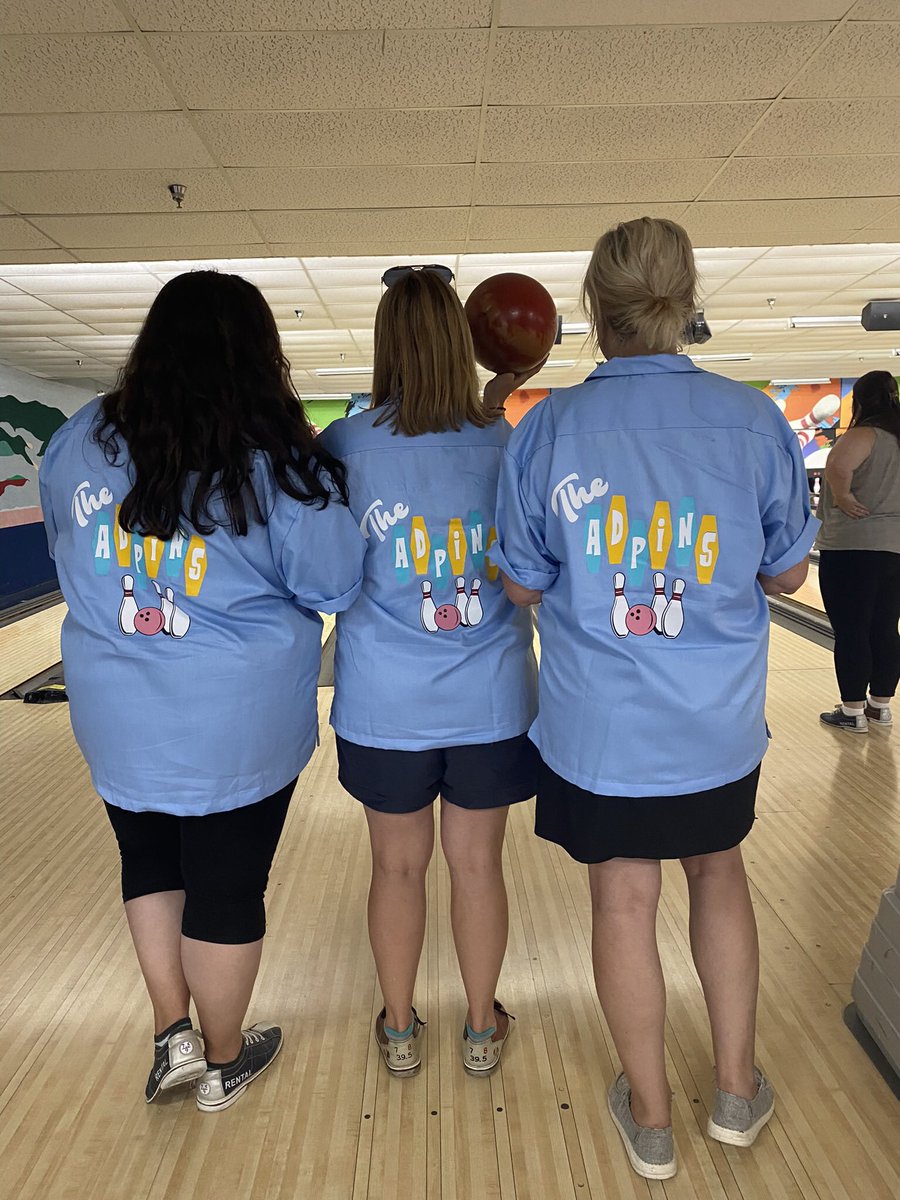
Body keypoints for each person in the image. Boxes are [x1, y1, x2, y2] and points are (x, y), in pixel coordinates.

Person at [491, 218, 817, 1179]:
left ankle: (652, 1119)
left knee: (622, 898)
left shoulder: (545, 429)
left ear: (593, 310)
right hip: (713, 723)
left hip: (600, 730)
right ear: (688, 301)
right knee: (719, 873)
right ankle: (735, 1092)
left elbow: (519, 583)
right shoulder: (753, 418)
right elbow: (791, 576)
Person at [38, 271, 366, 1112]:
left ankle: (171, 1034)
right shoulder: (281, 458)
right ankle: (223, 1060)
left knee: (147, 860)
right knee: (226, 886)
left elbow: (66, 551)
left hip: (118, 713)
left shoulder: (80, 441)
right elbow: (332, 583)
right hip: (239, 722)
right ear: (262, 354)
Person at [318, 266, 539, 1077]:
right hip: (491, 702)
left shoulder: (343, 444)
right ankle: (481, 1029)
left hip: (383, 706)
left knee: (396, 867)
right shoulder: (509, 445)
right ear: (464, 343)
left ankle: (402, 1031)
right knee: (478, 866)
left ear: (384, 346)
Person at [816, 371, 900, 733]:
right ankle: (879, 706)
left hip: (853, 545)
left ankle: (851, 711)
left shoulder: (865, 434)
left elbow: (837, 466)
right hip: (895, 547)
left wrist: (845, 497)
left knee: (852, 629)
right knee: (885, 626)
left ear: (860, 401)